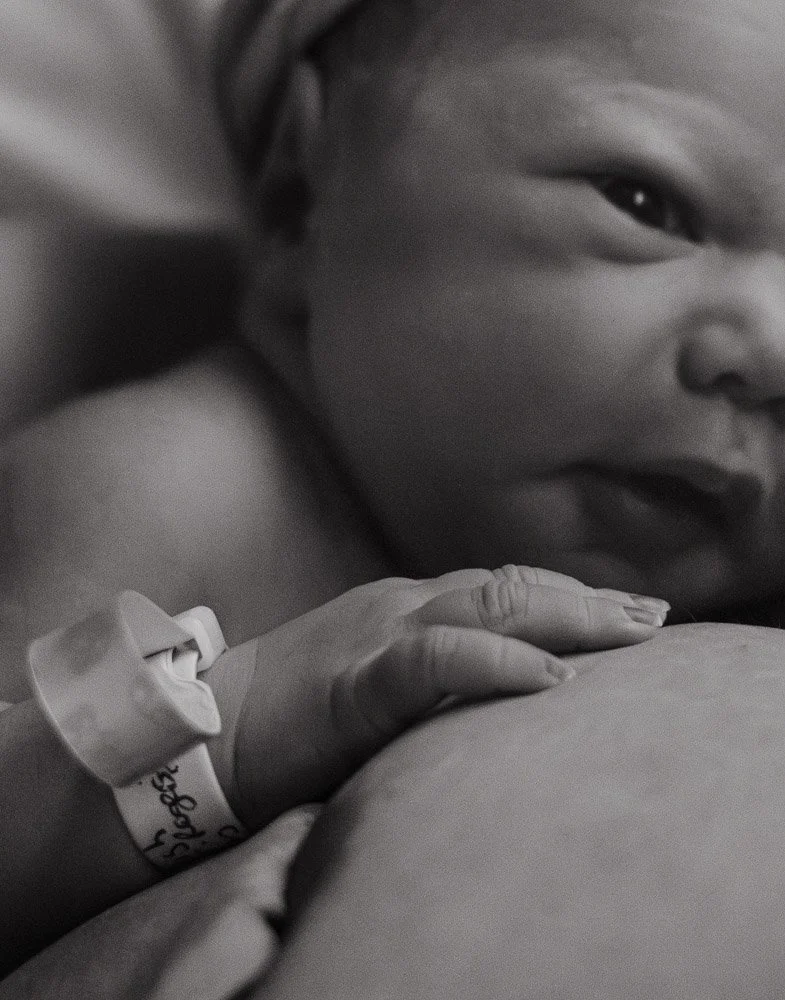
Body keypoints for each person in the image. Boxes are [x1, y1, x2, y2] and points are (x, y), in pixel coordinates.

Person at [2, 0, 785, 988]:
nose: (770, 351)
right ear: (299, 194)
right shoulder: (165, 491)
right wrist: (235, 726)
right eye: (644, 204)